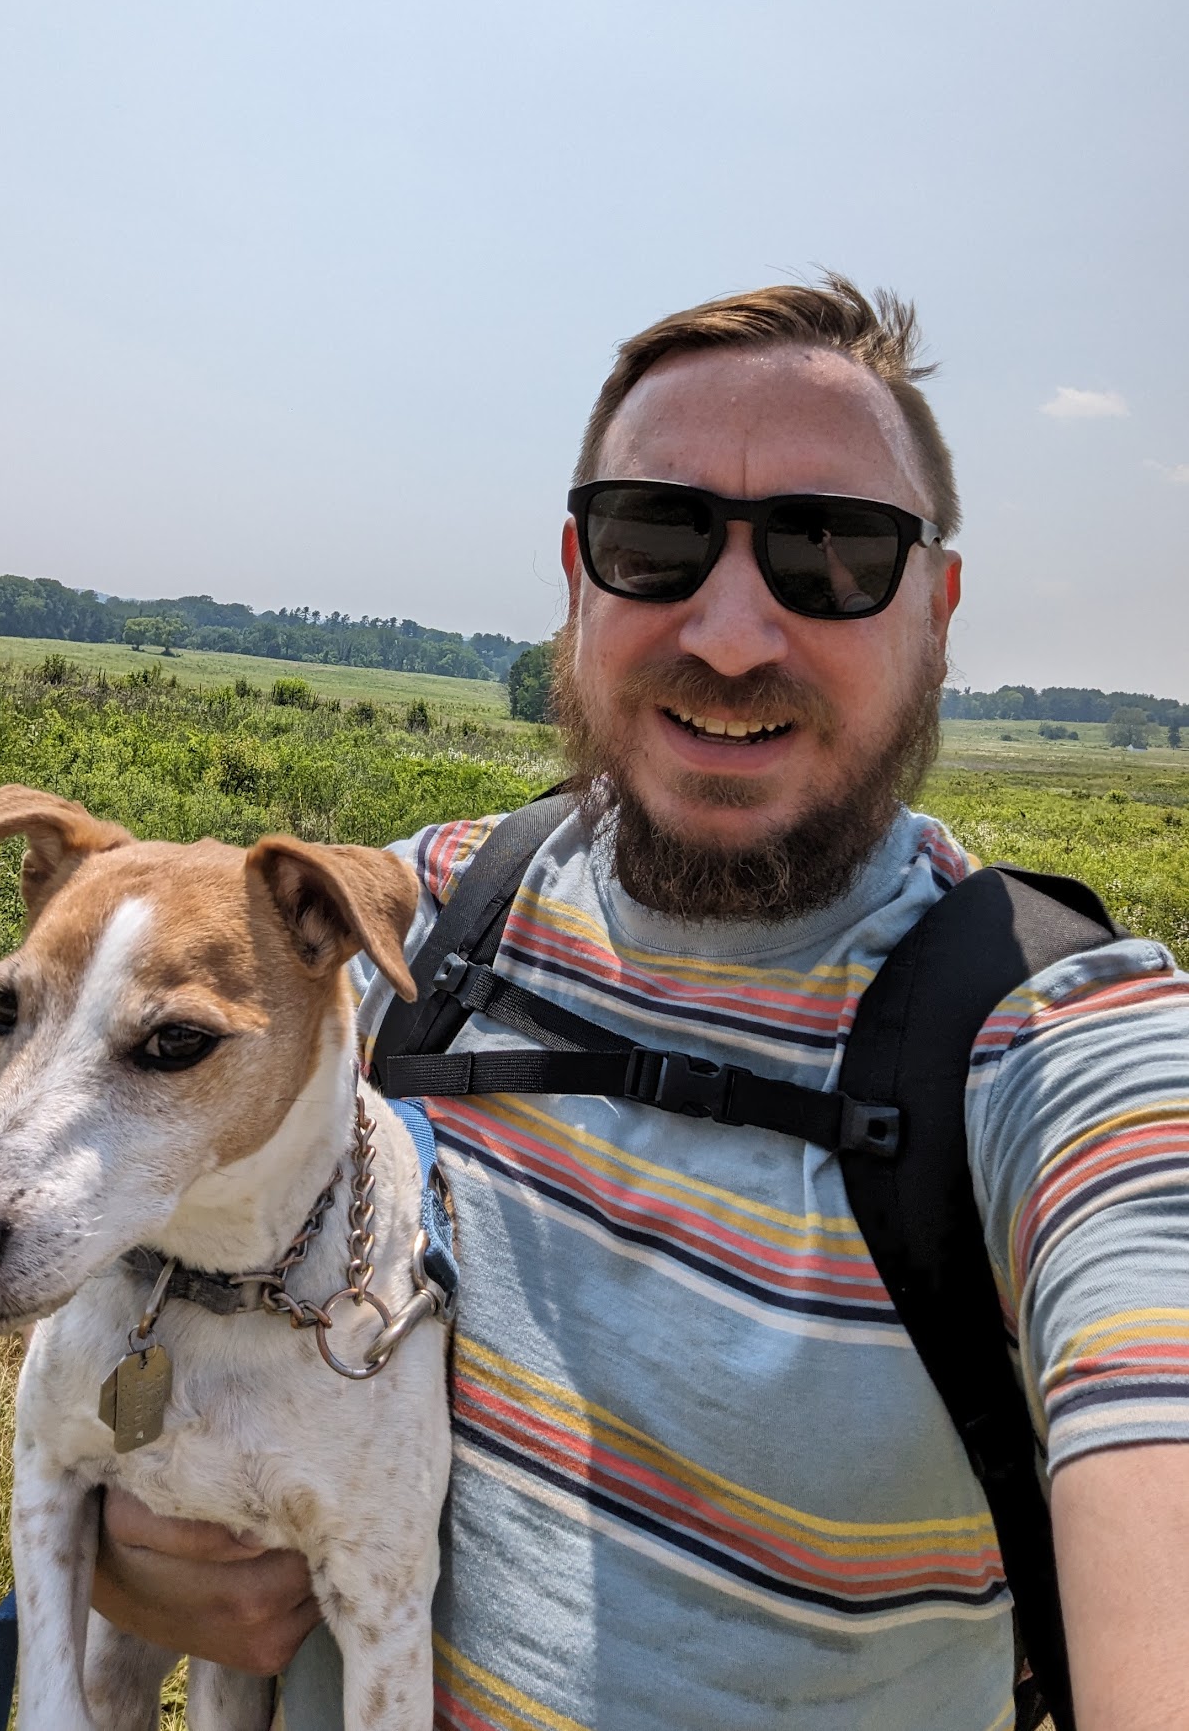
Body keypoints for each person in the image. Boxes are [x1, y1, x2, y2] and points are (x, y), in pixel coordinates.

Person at [92, 278, 1189, 1729]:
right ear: (578, 576)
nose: (730, 635)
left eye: (833, 553)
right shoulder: (413, 927)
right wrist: (131, 1516)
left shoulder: (1058, 1048)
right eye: (655, 539)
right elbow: (98, 1159)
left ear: (936, 606)